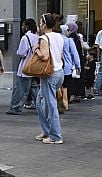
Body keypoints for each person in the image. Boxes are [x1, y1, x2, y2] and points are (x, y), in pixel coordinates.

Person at [34, 13, 65, 144]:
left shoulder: (44, 38)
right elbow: (61, 55)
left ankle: (56, 136)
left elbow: (45, 56)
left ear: (44, 25)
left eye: (41, 23)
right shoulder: (59, 36)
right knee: (41, 102)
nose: (40, 25)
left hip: (49, 74)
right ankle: (47, 131)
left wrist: (37, 51)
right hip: (59, 72)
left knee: (50, 105)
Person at [6, 18, 40, 115]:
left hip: (25, 67)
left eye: (23, 25)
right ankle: (41, 106)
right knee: (35, 88)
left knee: (20, 89)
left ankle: (15, 107)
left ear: (27, 26)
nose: (22, 27)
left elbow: (21, 53)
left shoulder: (25, 38)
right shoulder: (37, 37)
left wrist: (18, 52)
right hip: (35, 67)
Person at [56, 24, 80, 114]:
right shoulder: (69, 41)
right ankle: (65, 104)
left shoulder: (57, 40)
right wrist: (78, 66)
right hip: (67, 67)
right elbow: (75, 54)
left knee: (58, 86)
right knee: (66, 87)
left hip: (57, 66)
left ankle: (58, 103)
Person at [67, 22, 85, 102]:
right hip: (80, 58)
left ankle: (72, 95)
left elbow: (73, 51)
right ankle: (77, 95)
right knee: (78, 77)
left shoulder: (71, 38)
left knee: (73, 78)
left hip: (73, 59)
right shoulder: (77, 36)